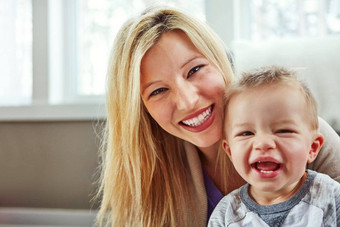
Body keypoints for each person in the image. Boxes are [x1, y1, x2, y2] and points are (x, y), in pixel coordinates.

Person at [96, 6, 340, 227]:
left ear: (220, 62)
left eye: (194, 70)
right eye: (158, 91)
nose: (187, 101)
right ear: (142, 110)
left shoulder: (306, 135)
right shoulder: (150, 178)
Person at [208, 66, 340, 226]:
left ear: (312, 147)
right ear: (230, 151)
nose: (263, 143)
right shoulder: (226, 216)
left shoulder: (330, 196)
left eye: (283, 131)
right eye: (247, 133)